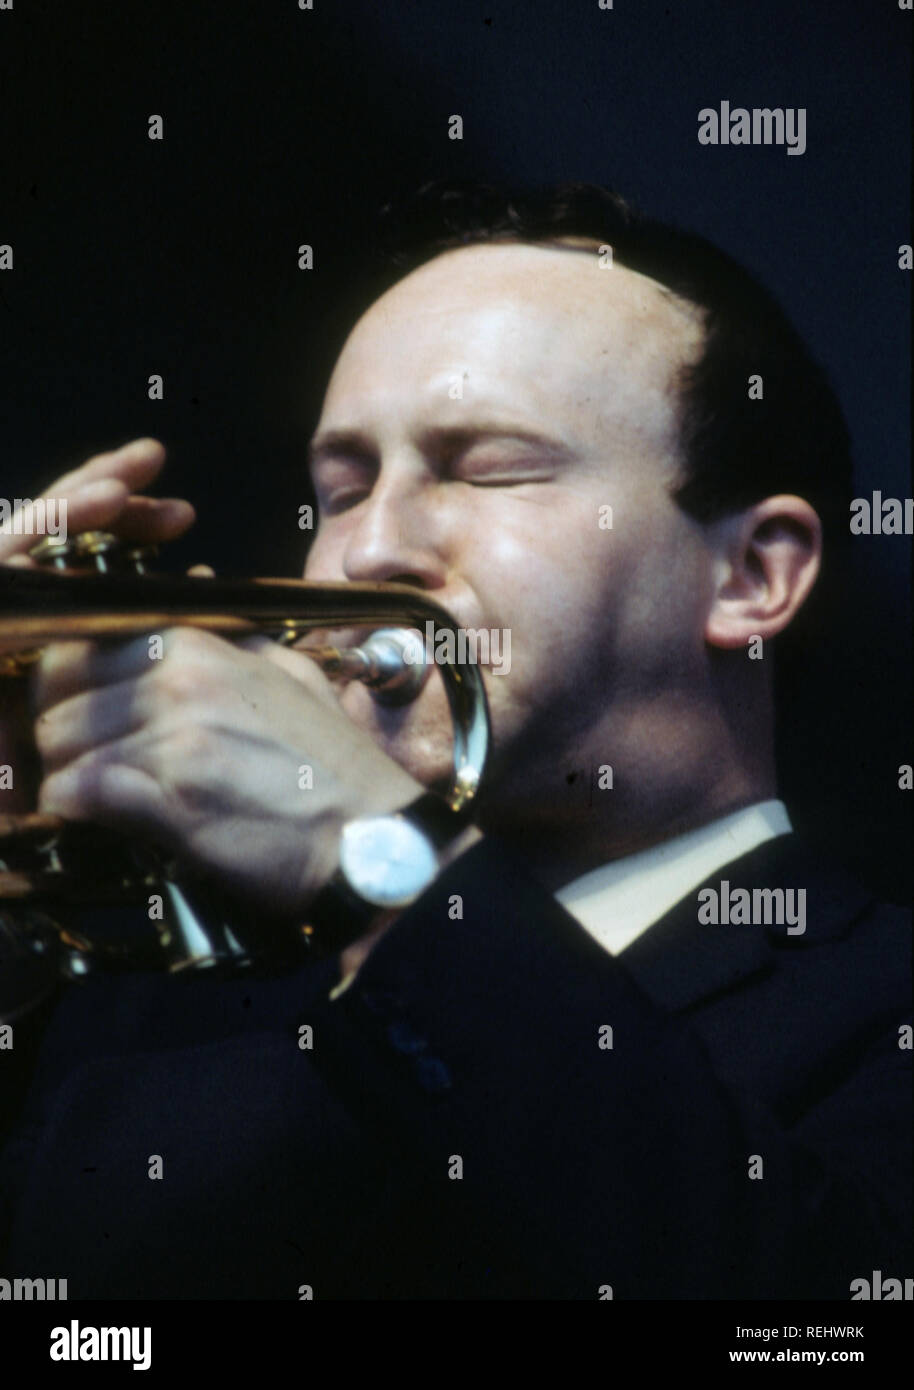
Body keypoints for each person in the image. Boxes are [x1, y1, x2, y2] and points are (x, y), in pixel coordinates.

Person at [0, 184, 909, 1300]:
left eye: (488, 469)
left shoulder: (878, 1006)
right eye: (340, 488)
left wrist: (376, 860)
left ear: (750, 574)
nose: (368, 551)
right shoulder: (154, 995)